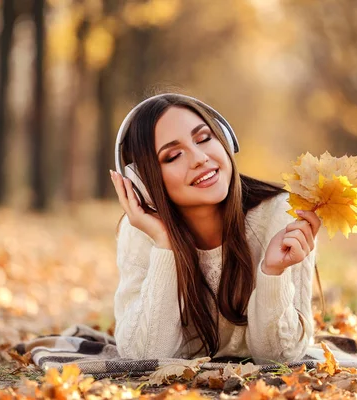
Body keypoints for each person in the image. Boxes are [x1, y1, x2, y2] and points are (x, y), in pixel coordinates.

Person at [110, 93, 321, 363]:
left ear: (225, 140)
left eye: (204, 138)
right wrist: (165, 244)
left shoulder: (282, 215)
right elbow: (145, 356)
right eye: (173, 156)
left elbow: (280, 356)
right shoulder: (139, 230)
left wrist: (273, 272)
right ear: (142, 182)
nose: (199, 158)